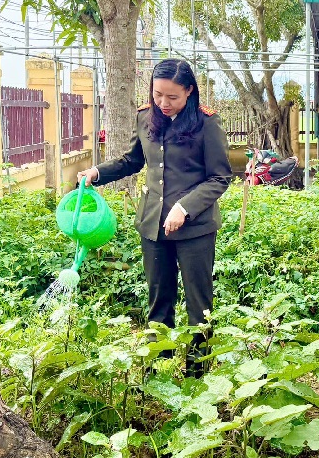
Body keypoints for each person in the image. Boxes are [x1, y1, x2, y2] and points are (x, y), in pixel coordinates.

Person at [78, 59, 232, 375]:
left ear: (189, 91)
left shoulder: (206, 124)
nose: (163, 103)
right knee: (158, 299)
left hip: (196, 229)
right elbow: (131, 161)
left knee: (198, 304)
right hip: (153, 225)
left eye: (172, 97)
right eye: (157, 94)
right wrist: (97, 172)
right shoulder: (146, 117)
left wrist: (185, 208)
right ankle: (157, 371)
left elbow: (219, 177)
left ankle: (197, 375)